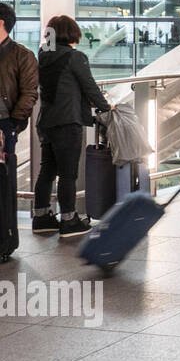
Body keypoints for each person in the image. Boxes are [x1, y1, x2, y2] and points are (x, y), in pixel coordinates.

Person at [32, 16, 112, 237]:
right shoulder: (75, 57)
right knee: (68, 174)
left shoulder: (43, 55)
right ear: (71, 33)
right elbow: (90, 87)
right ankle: (69, 220)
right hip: (68, 121)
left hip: (46, 121)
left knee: (47, 170)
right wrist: (106, 107)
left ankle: (41, 217)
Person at [0, 4, 37, 247]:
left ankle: (5, 238)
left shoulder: (21, 55)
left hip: (4, 126)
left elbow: (29, 92)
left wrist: (13, 124)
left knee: (3, 183)